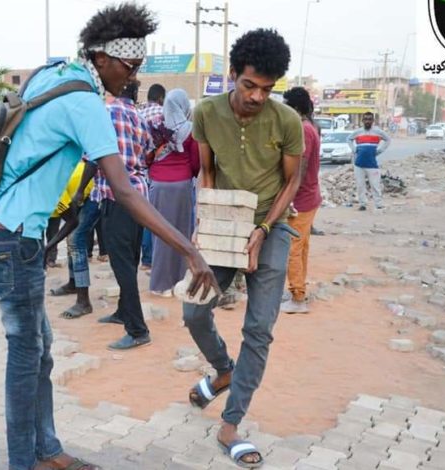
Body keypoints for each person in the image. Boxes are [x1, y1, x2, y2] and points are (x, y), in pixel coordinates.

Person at [0, 5, 218, 469]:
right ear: (103, 57)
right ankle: (22, 462)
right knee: (26, 358)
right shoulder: (85, 100)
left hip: (4, 231)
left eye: (139, 68)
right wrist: (189, 249)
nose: (132, 77)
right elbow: (125, 190)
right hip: (12, 238)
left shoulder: (52, 73)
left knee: (39, 350)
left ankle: (46, 451)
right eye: (129, 67)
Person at [185, 28, 303, 468]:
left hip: (271, 229)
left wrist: (265, 229)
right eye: (249, 85)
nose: (257, 96)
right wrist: (207, 220)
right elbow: (207, 170)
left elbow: (293, 180)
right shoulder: (206, 113)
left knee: (259, 331)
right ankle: (223, 370)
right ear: (232, 74)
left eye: (267, 89)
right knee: (194, 310)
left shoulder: (287, 121)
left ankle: (231, 423)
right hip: (223, 225)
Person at [92, 80, 155, 350]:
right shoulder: (139, 117)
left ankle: (137, 329)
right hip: (139, 195)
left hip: (116, 195)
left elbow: (92, 156)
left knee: (122, 265)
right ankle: (122, 312)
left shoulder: (106, 113)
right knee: (131, 258)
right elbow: (150, 150)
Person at [147, 88, 200, 297]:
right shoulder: (190, 129)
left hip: (158, 184)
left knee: (160, 234)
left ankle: (159, 284)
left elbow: (147, 156)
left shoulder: (156, 127)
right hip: (181, 184)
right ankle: (178, 281)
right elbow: (196, 161)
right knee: (181, 234)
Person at [281, 87, 322, 314]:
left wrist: (289, 197)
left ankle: (298, 298)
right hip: (309, 196)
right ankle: (299, 290)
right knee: (301, 247)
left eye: (287, 107)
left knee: (293, 249)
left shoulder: (304, 130)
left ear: (295, 108)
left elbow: (301, 167)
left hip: (302, 199)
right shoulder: (310, 127)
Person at [47, 159, 98, 319]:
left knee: (75, 240)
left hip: (94, 193)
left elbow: (71, 222)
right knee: (72, 238)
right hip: (78, 192)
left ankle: (84, 302)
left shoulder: (51, 190)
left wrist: (48, 247)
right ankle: (73, 283)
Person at [138, 83, 166, 271]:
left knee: (145, 215)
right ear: (161, 98)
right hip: (158, 171)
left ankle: (146, 258)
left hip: (140, 171)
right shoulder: (162, 115)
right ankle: (155, 258)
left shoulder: (138, 114)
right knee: (157, 216)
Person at [347, 112, 391, 211]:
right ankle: (363, 204)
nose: (367, 121)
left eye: (369, 119)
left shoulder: (378, 132)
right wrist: (354, 149)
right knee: (360, 185)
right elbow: (349, 139)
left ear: (373, 121)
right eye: (365, 119)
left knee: (375, 185)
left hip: (372, 164)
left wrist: (379, 150)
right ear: (362, 121)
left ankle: (378, 204)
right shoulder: (357, 132)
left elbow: (388, 139)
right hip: (359, 164)